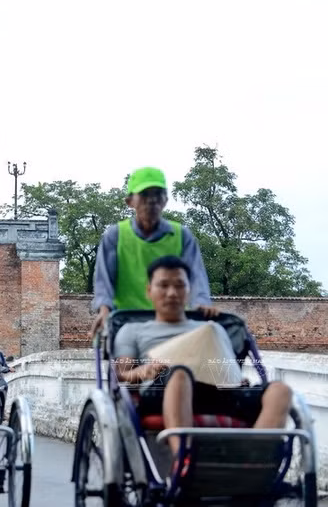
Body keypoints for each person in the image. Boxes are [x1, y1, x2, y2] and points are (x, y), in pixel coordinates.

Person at [113, 255, 292, 472]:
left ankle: (255, 462)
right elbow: (122, 374)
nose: (172, 293)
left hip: (218, 393)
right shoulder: (132, 330)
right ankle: (184, 461)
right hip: (162, 391)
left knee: (280, 391)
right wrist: (144, 370)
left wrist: (233, 378)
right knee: (180, 374)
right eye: (164, 285)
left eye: (179, 285)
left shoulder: (212, 327)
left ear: (189, 290)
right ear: (149, 290)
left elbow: (225, 367)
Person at [91, 166, 218, 336]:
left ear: (165, 200)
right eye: (144, 195)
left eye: (158, 194)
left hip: (173, 322)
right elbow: (104, 281)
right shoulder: (116, 235)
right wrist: (104, 308)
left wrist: (201, 303)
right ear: (130, 201)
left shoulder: (181, 235)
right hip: (128, 323)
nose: (152, 200)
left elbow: (196, 276)